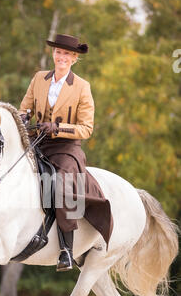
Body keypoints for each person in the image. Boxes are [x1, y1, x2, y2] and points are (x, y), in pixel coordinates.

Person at [19, 34, 113, 271]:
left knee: (61, 184)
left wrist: (58, 128)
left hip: (66, 147)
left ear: (74, 59)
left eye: (67, 54)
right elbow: (25, 108)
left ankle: (66, 250)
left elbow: (86, 128)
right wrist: (22, 117)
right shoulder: (39, 78)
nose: (62, 57)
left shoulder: (82, 87)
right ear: (54, 54)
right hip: (37, 142)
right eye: (59, 52)